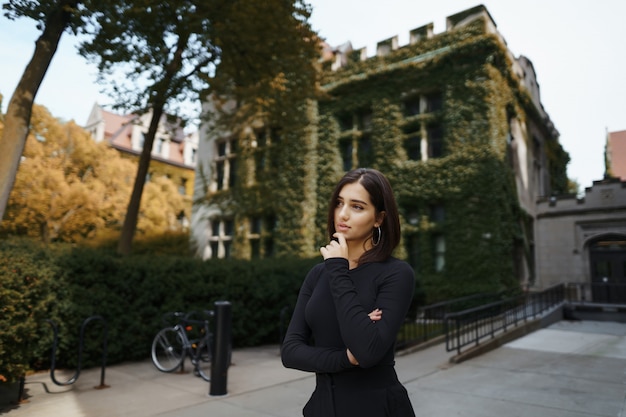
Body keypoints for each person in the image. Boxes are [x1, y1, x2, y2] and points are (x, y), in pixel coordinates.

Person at [281, 168, 416, 417]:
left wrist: (337, 269)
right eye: (339, 203)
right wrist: (345, 358)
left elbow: (368, 352)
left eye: (357, 207)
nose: (342, 214)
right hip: (322, 408)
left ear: (379, 218)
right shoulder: (318, 274)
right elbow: (290, 352)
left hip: (377, 408)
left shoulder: (396, 274)